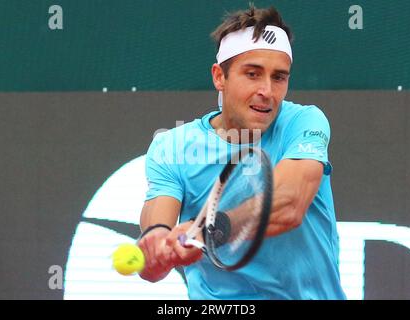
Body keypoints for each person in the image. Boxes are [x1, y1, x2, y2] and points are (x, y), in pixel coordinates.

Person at [138, 5, 346, 299]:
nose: (267, 91)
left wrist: (208, 231)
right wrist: (158, 247)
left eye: (279, 77)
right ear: (219, 77)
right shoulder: (170, 147)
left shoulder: (304, 122)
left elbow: (288, 204)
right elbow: (152, 266)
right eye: (252, 74)